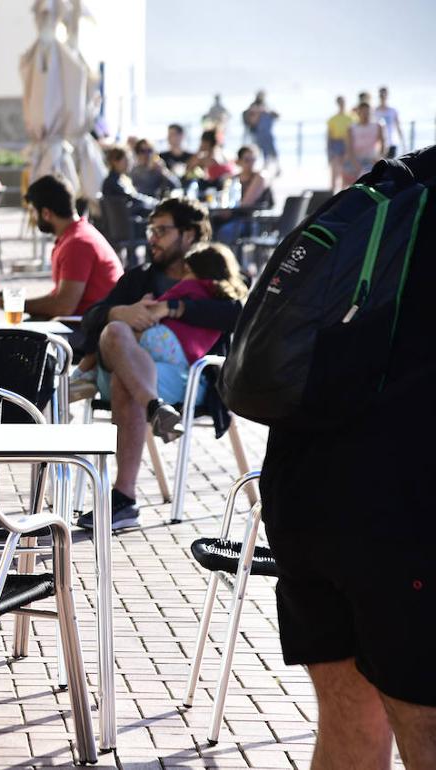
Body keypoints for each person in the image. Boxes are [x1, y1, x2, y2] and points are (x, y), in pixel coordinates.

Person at [260, 146, 436, 770]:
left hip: (301, 494)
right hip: (400, 510)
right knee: (426, 733)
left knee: (350, 722)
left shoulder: (382, 188)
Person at [77, 198, 241, 531]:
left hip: (187, 379)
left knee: (126, 379)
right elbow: (90, 317)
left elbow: (239, 313)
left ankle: (124, 499)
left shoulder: (212, 271)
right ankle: (154, 408)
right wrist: (119, 312)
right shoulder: (138, 279)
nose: (152, 238)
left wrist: (176, 308)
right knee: (115, 331)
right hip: (133, 373)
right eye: (151, 230)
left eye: (162, 231)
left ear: (189, 234)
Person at [23, 174, 123, 322]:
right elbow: (61, 297)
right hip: (89, 320)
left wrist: (16, 304)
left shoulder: (77, 243)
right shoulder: (76, 235)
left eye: (33, 211)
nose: (32, 217)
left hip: (93, 326)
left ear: (46, 213)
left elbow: (63, 307)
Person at [136, 243, 247, 375]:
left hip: (190, 366)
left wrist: (169, 306)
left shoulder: (193, 288)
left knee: (124, 336)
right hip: (189, 364)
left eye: (186, 271)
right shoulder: (221, 293)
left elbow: (155, 308)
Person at [213, 145, 274, 245]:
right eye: (247, 160)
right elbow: (224, 200)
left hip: (251, 221)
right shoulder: (233, 178)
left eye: (253, 159)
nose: (251, 163)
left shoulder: (260, 177)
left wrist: (228, 210)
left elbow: (245, 204)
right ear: (239, 161)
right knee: (208, 227)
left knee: (224, 232)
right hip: (232, 218)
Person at [103, 146, 158, 215]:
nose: (128, 163)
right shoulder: (113, 181)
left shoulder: (119, 178)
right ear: (115, 162)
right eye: (126, 160)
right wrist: (153, 202)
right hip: (124, 218)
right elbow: (131, 197)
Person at [344, 101, 385, 187]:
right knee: (349, 186)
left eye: (368, 112)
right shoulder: (351, 128)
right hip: (355, 160)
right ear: (358, 113)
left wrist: (379, 158)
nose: (366, 115)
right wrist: (356, 165)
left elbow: (383, 144)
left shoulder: (378, 126)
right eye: (363, 112)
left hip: (371, 160)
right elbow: (349, 149)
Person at [327, 96, 354, 192]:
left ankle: (343, 190)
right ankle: (332, 190)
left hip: (347, 143)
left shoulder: (351, 117)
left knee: (345, 169)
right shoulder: (333, 119)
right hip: (336, 143)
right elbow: (329, 135)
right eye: (340, 102)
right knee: (335, 169)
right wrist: (329, 150)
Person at [374, 86, 405, 159]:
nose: (383, 96)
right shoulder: (374, 111)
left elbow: (398, 127)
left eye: (384, 94)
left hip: (391, 143)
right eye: (381, 94)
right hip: (379, 145)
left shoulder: (393, 111)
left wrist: (403, 145)